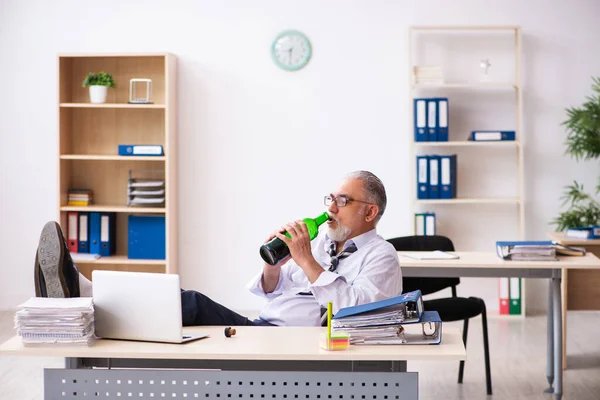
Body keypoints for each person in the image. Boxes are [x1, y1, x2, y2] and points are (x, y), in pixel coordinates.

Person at [34, 170, 402, 326]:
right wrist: (277, 264)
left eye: (342, 200)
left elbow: (360, 312)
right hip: (267, 327)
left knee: (190, 303)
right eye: (330, 198)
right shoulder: (323, 242)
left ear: (370, 212)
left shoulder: (381, 256)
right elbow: (275, 291)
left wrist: (307, 262)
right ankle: (85, 297)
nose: (330, 208)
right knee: (173, 307)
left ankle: (83, 297)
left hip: (299, 343)